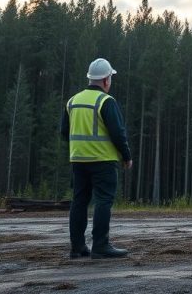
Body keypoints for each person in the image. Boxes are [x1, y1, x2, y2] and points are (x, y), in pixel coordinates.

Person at [61, 58, 133, 259]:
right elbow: (118, 133)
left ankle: (77, 247)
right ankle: (100, 245)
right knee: (103, 201)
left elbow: (64, 131)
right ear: (106, 79)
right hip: (103, 160)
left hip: (78, 161)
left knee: (79, 202)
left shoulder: (72, 101)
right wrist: (126, 156)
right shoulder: (106, 102)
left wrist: (79, 148)